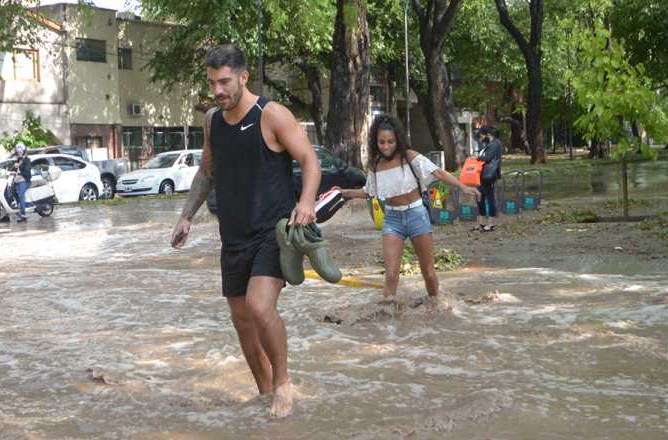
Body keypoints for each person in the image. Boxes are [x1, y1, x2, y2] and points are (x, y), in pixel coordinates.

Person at [169, 44, 320, 419]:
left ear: (243, 77)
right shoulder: (213, 122)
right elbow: (207, 172)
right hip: (233, 236)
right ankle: (263, 390)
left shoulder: (271, 115)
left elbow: (309, 160)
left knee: (258, 307)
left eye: (224, 82)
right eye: (212, 83)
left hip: (274, 232)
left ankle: (283, 384)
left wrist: (306, 203)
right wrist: (186, 215)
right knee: (241, 320)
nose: (217, 91)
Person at [333, 114, 480, 301]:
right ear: (375, 142)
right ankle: (388, 322)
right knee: (392, 275)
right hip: (392, 221)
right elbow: (368, 192)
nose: (386, 146)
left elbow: (438, 173)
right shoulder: (376, 165)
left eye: (390, 142)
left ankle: (437, 306)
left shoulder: (410, 157)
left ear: (398, 140)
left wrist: (462, 186)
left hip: (417, 215)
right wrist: (344, 192)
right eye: (381, 142)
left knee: (428, 272)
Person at [474, 126, 502, 231]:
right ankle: (481, 223)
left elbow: (488, 158)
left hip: (489, 175)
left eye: (481, 134)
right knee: (479, 198)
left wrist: (476, 158)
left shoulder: (495, 143)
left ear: (487, 134)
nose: (480, 136)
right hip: (481, 175)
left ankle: (491, 224)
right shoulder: (487, 144)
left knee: (490, 199)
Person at [11, 143, 32, 222]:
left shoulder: (27, 160)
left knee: (21, 195)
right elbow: (13, 169)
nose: (19, 153)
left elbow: (27, 172)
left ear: (23, 151)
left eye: (20, 152)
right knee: (11, 191)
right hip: (17, 181)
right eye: (18, 152)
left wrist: (19, 168)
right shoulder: (18, 160)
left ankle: (23, 215)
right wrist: (11, 171)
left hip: (25, 181)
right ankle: (19, 205)